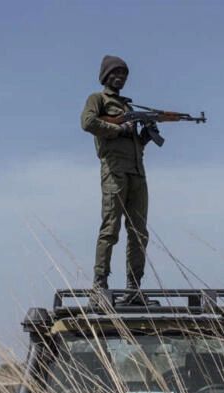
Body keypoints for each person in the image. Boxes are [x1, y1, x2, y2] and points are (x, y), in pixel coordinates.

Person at [80, 55, 158, 306]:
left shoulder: (128, 107)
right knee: (110, 227)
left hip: (137, 172)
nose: (121, 77)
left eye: (124, 74)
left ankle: (134, 288)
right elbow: (88, 122)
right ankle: (100, 284)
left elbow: (134, 144)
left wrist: (144, 135)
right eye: (116, 73)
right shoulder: (98, 99)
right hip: (114, 171)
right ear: (105, 76)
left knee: (139, 232)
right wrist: (119, 129)